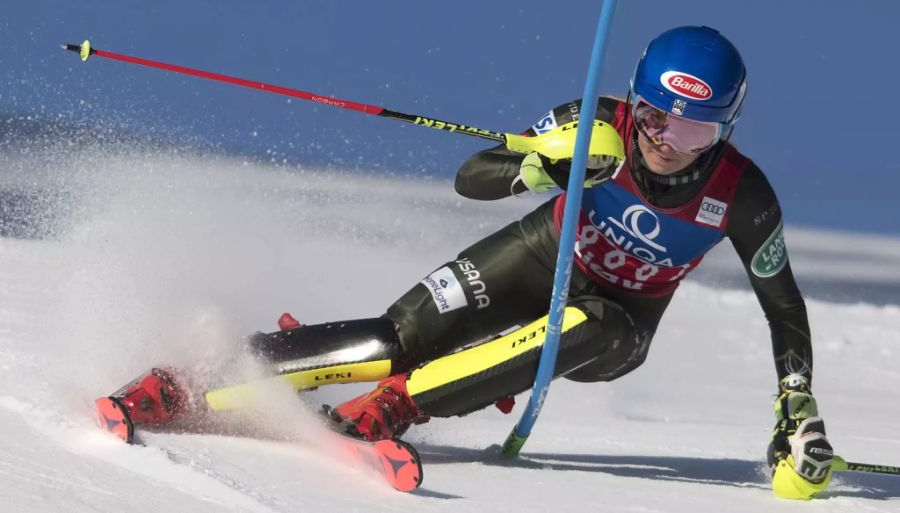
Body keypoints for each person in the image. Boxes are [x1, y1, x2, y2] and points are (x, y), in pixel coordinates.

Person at [100, 26, 833, 500]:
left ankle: (395, 405)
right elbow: (474, 175)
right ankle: (201, 378)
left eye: (694, 127)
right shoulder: (592, 120)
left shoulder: (743, 194)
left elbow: (783, 304)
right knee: (398, 335)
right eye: (654, 116)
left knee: (583, 322)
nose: (667, 141)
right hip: (542, 251)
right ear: (634, 100)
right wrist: (547, 169)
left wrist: (794, 402)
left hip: (620, 321)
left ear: (724, 129)